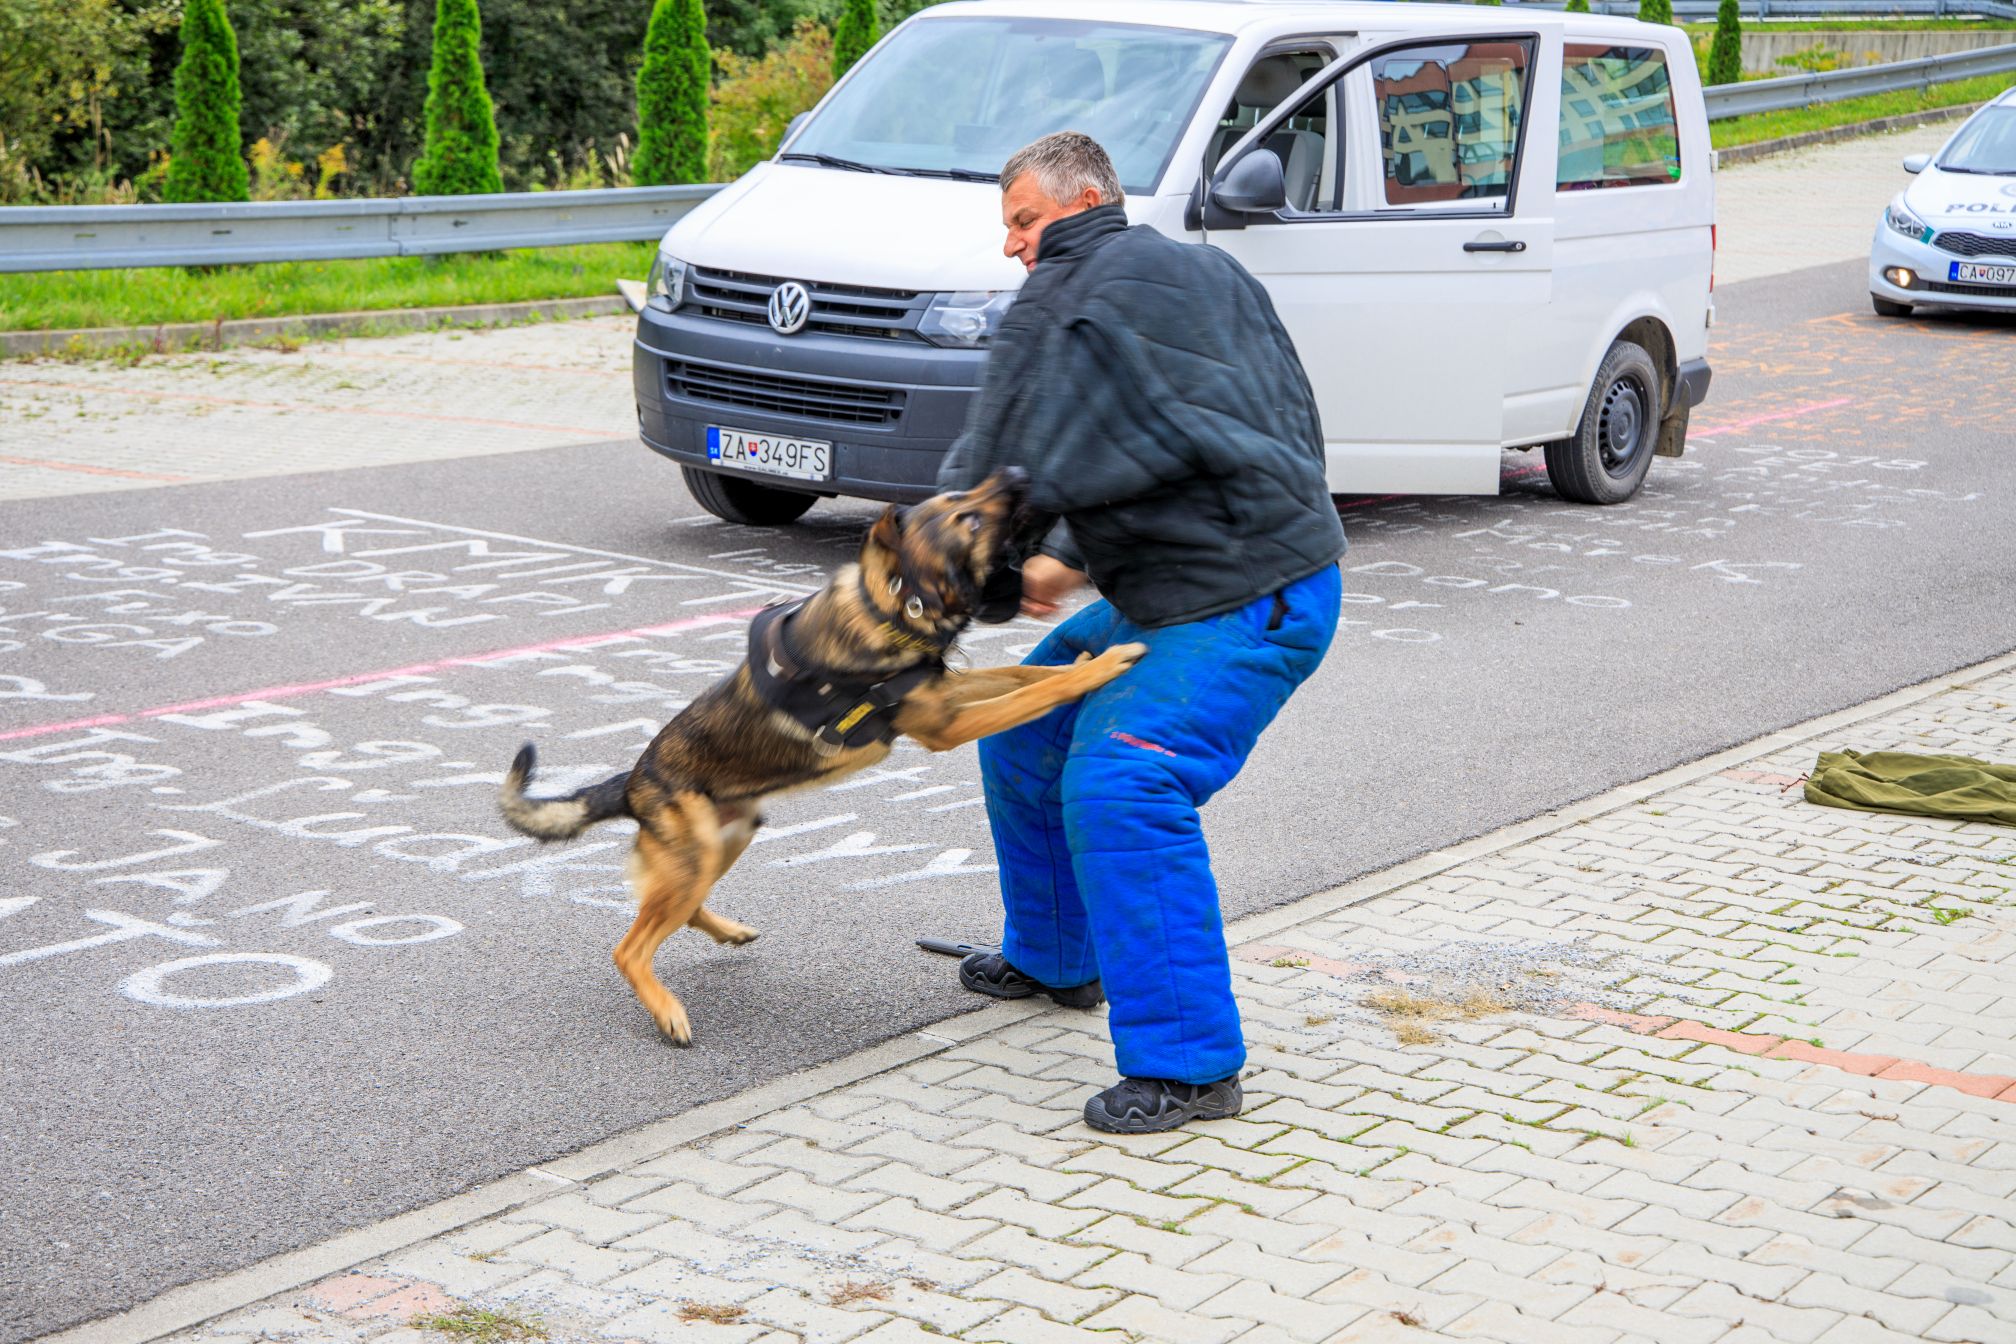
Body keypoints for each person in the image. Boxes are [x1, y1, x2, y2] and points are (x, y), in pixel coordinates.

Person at [938, 131, 1347, 1134]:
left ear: (1084, 204)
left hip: (1252, 595)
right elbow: (1165, 439)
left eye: (1024, 221)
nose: (1013, 245)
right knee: (1024, 725)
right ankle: (1056, 960)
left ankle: (1190, 1067)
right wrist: (1067, 554)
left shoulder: (1082, 297)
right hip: (1168, 585)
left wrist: (977, 567)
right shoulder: (1196, 276)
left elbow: (1013, 453)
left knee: (1124, 781)